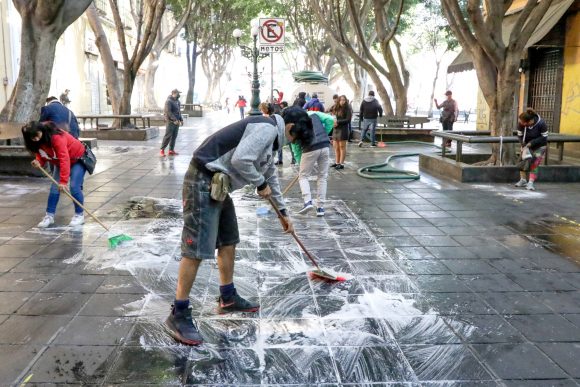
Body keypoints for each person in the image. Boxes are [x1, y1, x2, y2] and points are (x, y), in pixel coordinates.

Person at [165, 114, 296, 346]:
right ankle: (179, 312)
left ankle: (227, 297)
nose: (293, 144)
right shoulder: (266, 129)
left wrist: (283, 213)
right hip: (203, 179)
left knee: (228, 239)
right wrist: (260, 184)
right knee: (196, 248)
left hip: (218, 183)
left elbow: (268, 174)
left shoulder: (271, 139)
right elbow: (241, 159)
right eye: (296, 138)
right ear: (291, 127)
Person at [21, 121, 87, 228]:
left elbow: (64, 158)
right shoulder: (37, 141)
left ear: (41, 130)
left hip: (77, 158)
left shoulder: (56, 137)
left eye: (37, 136)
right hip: (59, 162)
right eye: (33, 138)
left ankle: (79, 215)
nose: (36, 139)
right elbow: (42, 154)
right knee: (54, 188)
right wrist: (38, 161)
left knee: (74, 187)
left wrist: (63, 181)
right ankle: (49, 216)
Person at [284, 107, 334, 216]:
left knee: (303, 176)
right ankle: (320, 208)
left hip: (309, 149)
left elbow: (296, 148)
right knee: (322, 176)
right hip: (325, 145)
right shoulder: (313, 113)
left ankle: (308, 202)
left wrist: (300, 164)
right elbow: (330, 120)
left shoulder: (290, 126)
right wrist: (324, 134)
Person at [514, 108, 548, 191]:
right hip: (526, 145)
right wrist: (523, 144)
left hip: (540, 146)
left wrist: (531, 143)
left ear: (530, 121)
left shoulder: (541, 124)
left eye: (524, 123)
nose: (521, 124)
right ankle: (523, 180)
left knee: (534, 163)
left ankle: (530, 183)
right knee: (523, 161)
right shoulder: (521, 124)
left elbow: (544, 137)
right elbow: (520, 135)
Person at [160, 89, 183, 157]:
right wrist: (174, 119)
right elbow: (168, 112)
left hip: (177, 122)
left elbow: (179, 111)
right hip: (170, 122)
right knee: (168, 136)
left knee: (174, 136)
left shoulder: (178, 101)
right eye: (178, 93)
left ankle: (171, 150)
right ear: (173, 93)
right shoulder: (168, 101)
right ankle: (162, 150)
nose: (179, 95)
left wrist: (181, 119)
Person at [331, 95, 352, 170]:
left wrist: (338, 122)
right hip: (335, 129)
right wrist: (333, 121)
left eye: (344, 100)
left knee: (342, 147)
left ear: (346, 101)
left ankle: (341, 163)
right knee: (336, 147)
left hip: (343, 129)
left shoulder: (347, 109)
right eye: (341, 100)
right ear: (338, 100)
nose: (342, 101)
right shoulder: (336, 108)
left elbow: (348, 120)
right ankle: (337, 162)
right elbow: (332, 115)